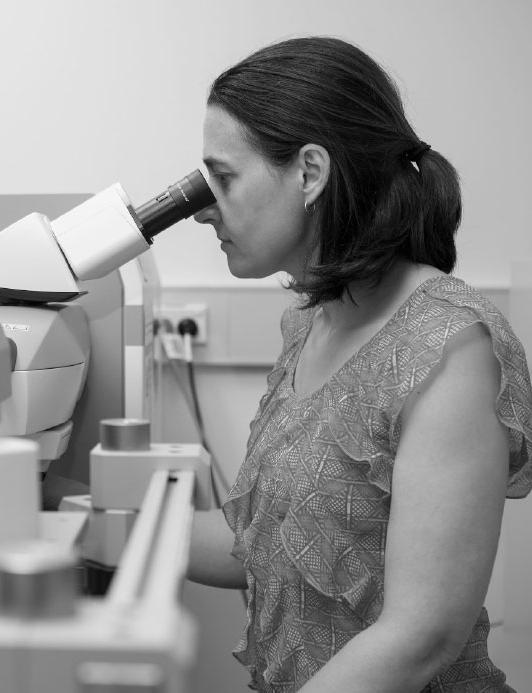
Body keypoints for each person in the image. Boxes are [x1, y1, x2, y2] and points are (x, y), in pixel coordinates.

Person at [186, 36, 532, 692]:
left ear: (310, 172)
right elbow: (260, 535)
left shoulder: (447, 346)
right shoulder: (314, 321)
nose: (202, 209)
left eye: (223, 178)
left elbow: (420, 634)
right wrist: (69, 525)